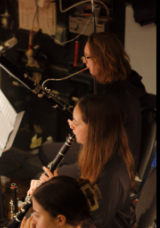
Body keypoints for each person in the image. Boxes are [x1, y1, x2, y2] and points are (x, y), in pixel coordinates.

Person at [9, 94, 135, 228]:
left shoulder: (113, 175)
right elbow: (89, 192)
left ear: (94, 128)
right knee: (28, 227)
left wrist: (55, 199)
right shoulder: (96, 150)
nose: (70, 126)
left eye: (76, 122)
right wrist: (52, 183)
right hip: (85, 220)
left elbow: (93, 225)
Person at [38, 32, 146, 178]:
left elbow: (99, 155)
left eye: (88, 57)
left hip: (113, 169)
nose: (84, 61)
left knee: (45, 170)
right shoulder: (127, 81)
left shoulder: (114, 100)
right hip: (113, 157)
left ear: (103, 59)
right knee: (47, 153)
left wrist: (81, 129)